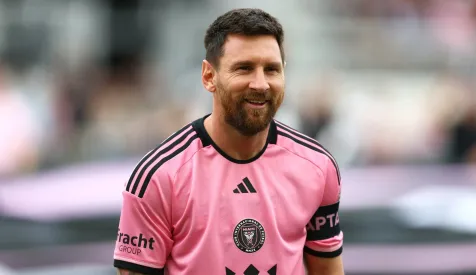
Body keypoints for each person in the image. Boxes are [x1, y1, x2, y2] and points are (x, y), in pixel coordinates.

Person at [114, 8, 344, 275]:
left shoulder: (317, 167)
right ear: (209, 76)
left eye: (271, 69)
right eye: (244, 68)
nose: (261, 84)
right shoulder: (159, 176)